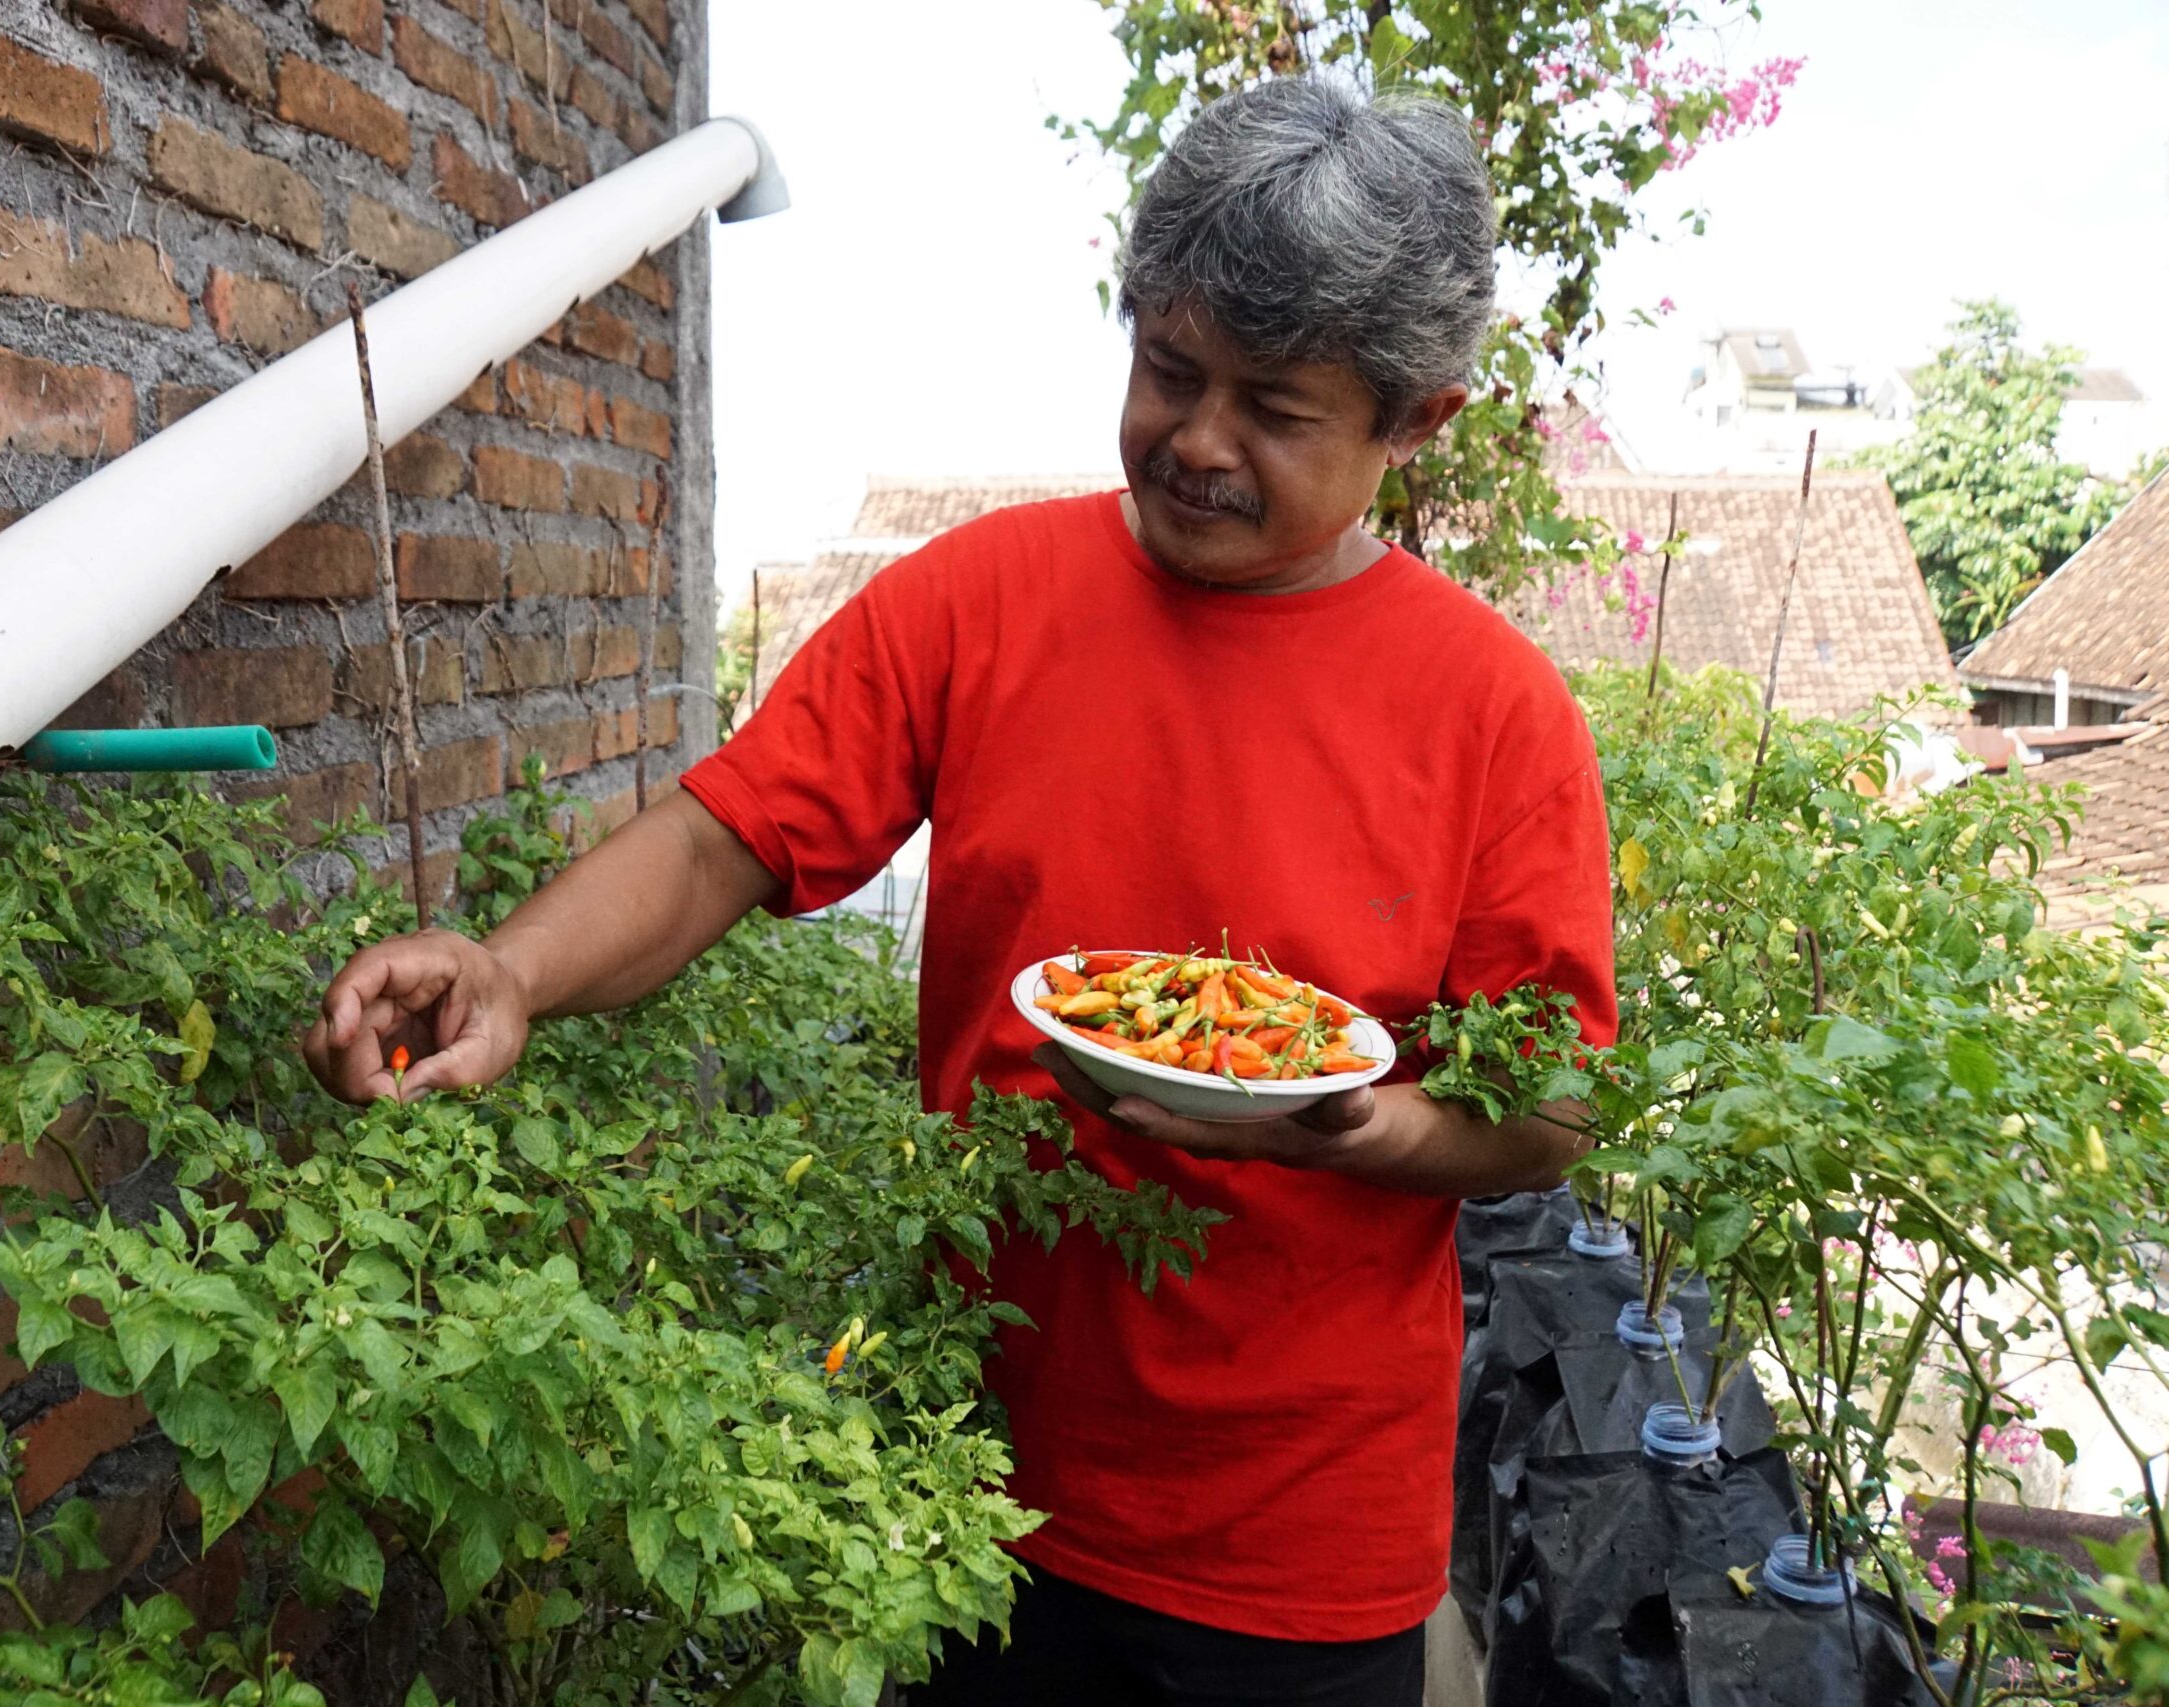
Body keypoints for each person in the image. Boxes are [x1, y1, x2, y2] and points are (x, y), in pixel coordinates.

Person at [304, 71, 1615, 1707]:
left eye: (1276, 410)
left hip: (1292, 1549)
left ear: (1417, 420)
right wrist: (511, 970)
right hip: (953, 1476)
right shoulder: (989, 600)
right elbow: (727, 838)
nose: (1198, 442)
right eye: (1168, 370)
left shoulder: (1495, 715)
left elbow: (1547, 1108)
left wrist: (1360, 1125)